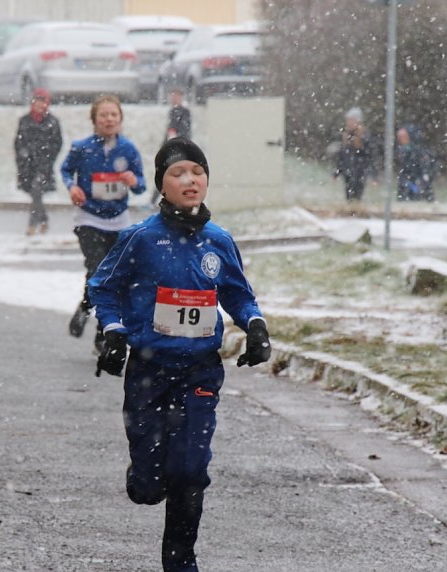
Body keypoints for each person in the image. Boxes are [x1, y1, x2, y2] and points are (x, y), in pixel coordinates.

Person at [88, 137, 272, 572]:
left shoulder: (219, 241)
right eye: (178, 173)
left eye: (197, 171)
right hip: (149, 371)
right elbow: (103, 286)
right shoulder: (141, 239)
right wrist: (114, 331)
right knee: (149, 487)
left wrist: (256, 327)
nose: (190, 180)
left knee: (190, 472)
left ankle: (180, 561)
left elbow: (238, 295)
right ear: (161, 185)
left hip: (200, 371)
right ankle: (145, 476)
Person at [61, 94, 147, 352]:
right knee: (99, 270)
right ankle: (92, 314)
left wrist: (133, 181)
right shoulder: (82, 147)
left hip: (118, 221)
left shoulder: (128, 150)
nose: (109, 119)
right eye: (104, 115)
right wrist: (72, 186)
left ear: (120, 119)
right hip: (89, 218)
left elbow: (141, 187)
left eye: (114, 115)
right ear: (94, 119)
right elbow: (65, 170)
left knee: (114, 278)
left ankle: (99, 326)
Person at [14, 88, 63, 235]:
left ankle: (32, 225)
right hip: (27, 165)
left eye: (43, 102)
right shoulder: (25, 121)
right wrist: (22, 158)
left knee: (37, 190)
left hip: (44, 165)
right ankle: (44, 220)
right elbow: (18, 142)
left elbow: (57, 143)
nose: (40, 106)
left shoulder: (52, 122)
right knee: (35, 194)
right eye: (37, 102)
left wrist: (48, 159)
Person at [150, 88, 192, 206]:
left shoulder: (184, 112)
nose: (173, 98)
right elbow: (169, 132)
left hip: (179, 151)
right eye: (172, 96)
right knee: (164, 174)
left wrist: (179, 146)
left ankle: (177, 200)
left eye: (176, 96)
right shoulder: (172, 111)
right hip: (170, 150)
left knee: (175, 175)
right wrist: (164, 147)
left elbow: (184, 132)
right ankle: (155, 201)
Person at [333, 107, 376, 202]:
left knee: (357, 196)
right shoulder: (346, 136)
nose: (349, 123)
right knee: (349, 196)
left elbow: (370, 156)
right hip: (348, 172)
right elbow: (342, 156)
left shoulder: (364, 136)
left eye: (351, 120)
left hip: (360, 172)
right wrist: (336, 173)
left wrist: (373, 175)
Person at [395, 124, 437, 202]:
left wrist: (424, 175)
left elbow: (424, 165)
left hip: (418, 176)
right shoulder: (402, 149)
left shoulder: (417, 149)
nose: (400, 139)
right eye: (399, 137)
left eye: (403, 137)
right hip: (407, 177)